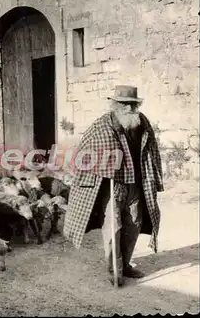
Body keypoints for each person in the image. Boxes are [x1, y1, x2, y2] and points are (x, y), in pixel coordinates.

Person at [63, 85, 164, 287]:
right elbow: (85, 153)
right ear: (116, 105)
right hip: (113, 184)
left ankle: (125, 264)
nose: (129, 108)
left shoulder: (142, 123)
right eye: (125, 104)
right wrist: (103, 164)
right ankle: (114, 270)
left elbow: (152, 150)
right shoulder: (102, 125)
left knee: (134, 223)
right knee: (113, 227)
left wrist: (154, 176)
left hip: (137, 183)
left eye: (133, 104)